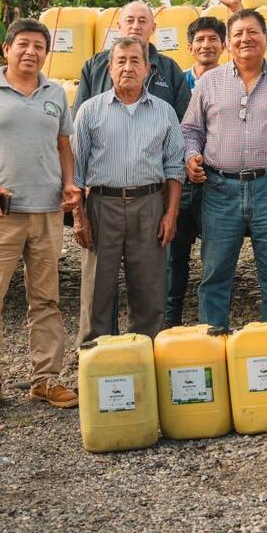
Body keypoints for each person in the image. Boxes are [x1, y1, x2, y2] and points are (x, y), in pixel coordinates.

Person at [0, 19, 81, 416]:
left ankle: (46, 378)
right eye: (23, 44)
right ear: (5, 49)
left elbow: (63, 145)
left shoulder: (54, 92)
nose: (31, 52)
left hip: (46, 213)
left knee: (47, 299)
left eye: (39, 46)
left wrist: (70, 184)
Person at [181, 8, 267, 327]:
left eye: (253, 32)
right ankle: (214, 343)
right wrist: (191, 156)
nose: (245, 38)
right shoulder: (209, 82)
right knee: (215, 274)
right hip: (220, 189)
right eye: (237, 34)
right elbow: (191, 129)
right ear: (228, 43)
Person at [73, 37, 186, 344]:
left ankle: (144, 358)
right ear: (110, 68)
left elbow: (176, 168)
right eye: (121, 60)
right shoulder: (89, 111)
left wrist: (170, 216)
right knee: (97, 291)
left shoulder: (164, 112)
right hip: (101, 205)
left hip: (149, 205)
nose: (128, 67)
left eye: (135, 61)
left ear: (147, 69)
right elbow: (76, 172)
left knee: (149, 291)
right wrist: (79, 217)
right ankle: (96, 360)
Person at [163, 14, 228, 328]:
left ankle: (211, 323)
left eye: (213, 39)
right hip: (180, 181)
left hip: (216, 182)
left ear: (223, 46)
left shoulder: (232, 81)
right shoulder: (177, 82)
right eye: (200, 40)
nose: (206, 45)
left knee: (214, 254)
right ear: (190, 47)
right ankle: (169, 319)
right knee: (175, 253)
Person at [72, 0, 190, 121]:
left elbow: (184, 120)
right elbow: (79, 117)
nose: (135, 26)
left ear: (153, 28)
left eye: (142, 21)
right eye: (129, 20)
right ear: (119, 26)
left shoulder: (170, 69)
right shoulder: (95, 65)